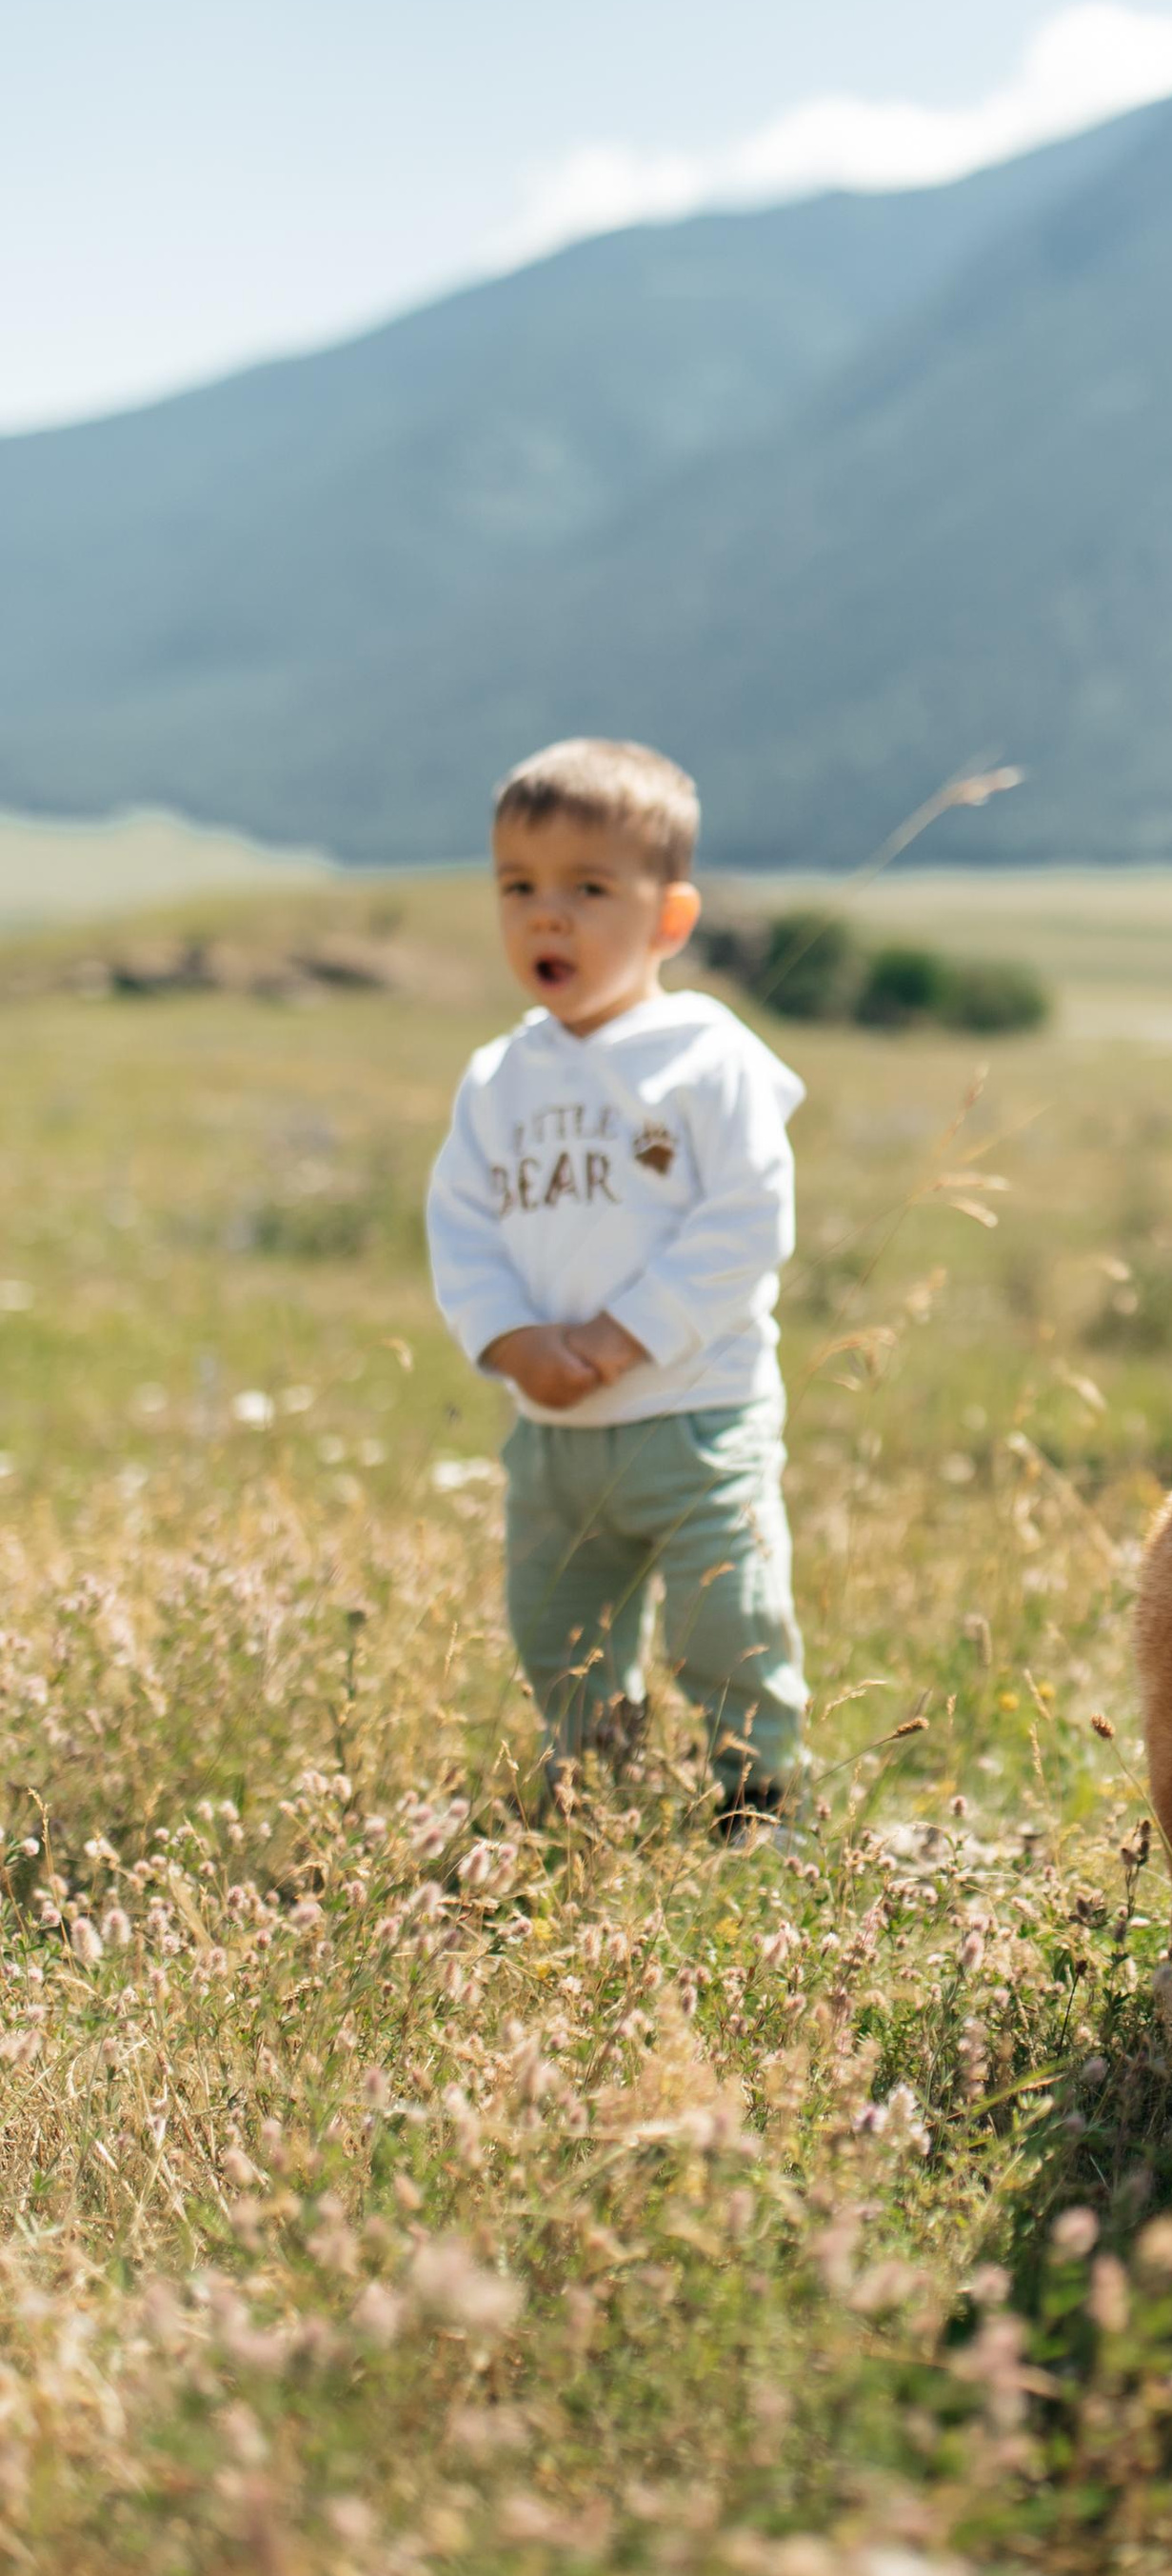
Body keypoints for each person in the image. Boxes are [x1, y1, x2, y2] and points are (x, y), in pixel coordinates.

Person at [426, 736, 808, 1832]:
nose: (549, 917)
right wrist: (511, 1341)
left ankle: (755, 1793)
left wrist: (623, 1334)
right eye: (520, 888)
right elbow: (461, 1227)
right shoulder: (499, 1077)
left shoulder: (705, 1057)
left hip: (691, 1414)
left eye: (587, 889)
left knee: (723, 1619)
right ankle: (594, 1783)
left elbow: (745, 1222)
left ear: (668, 919)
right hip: (553, 1431)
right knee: (556, 1625)